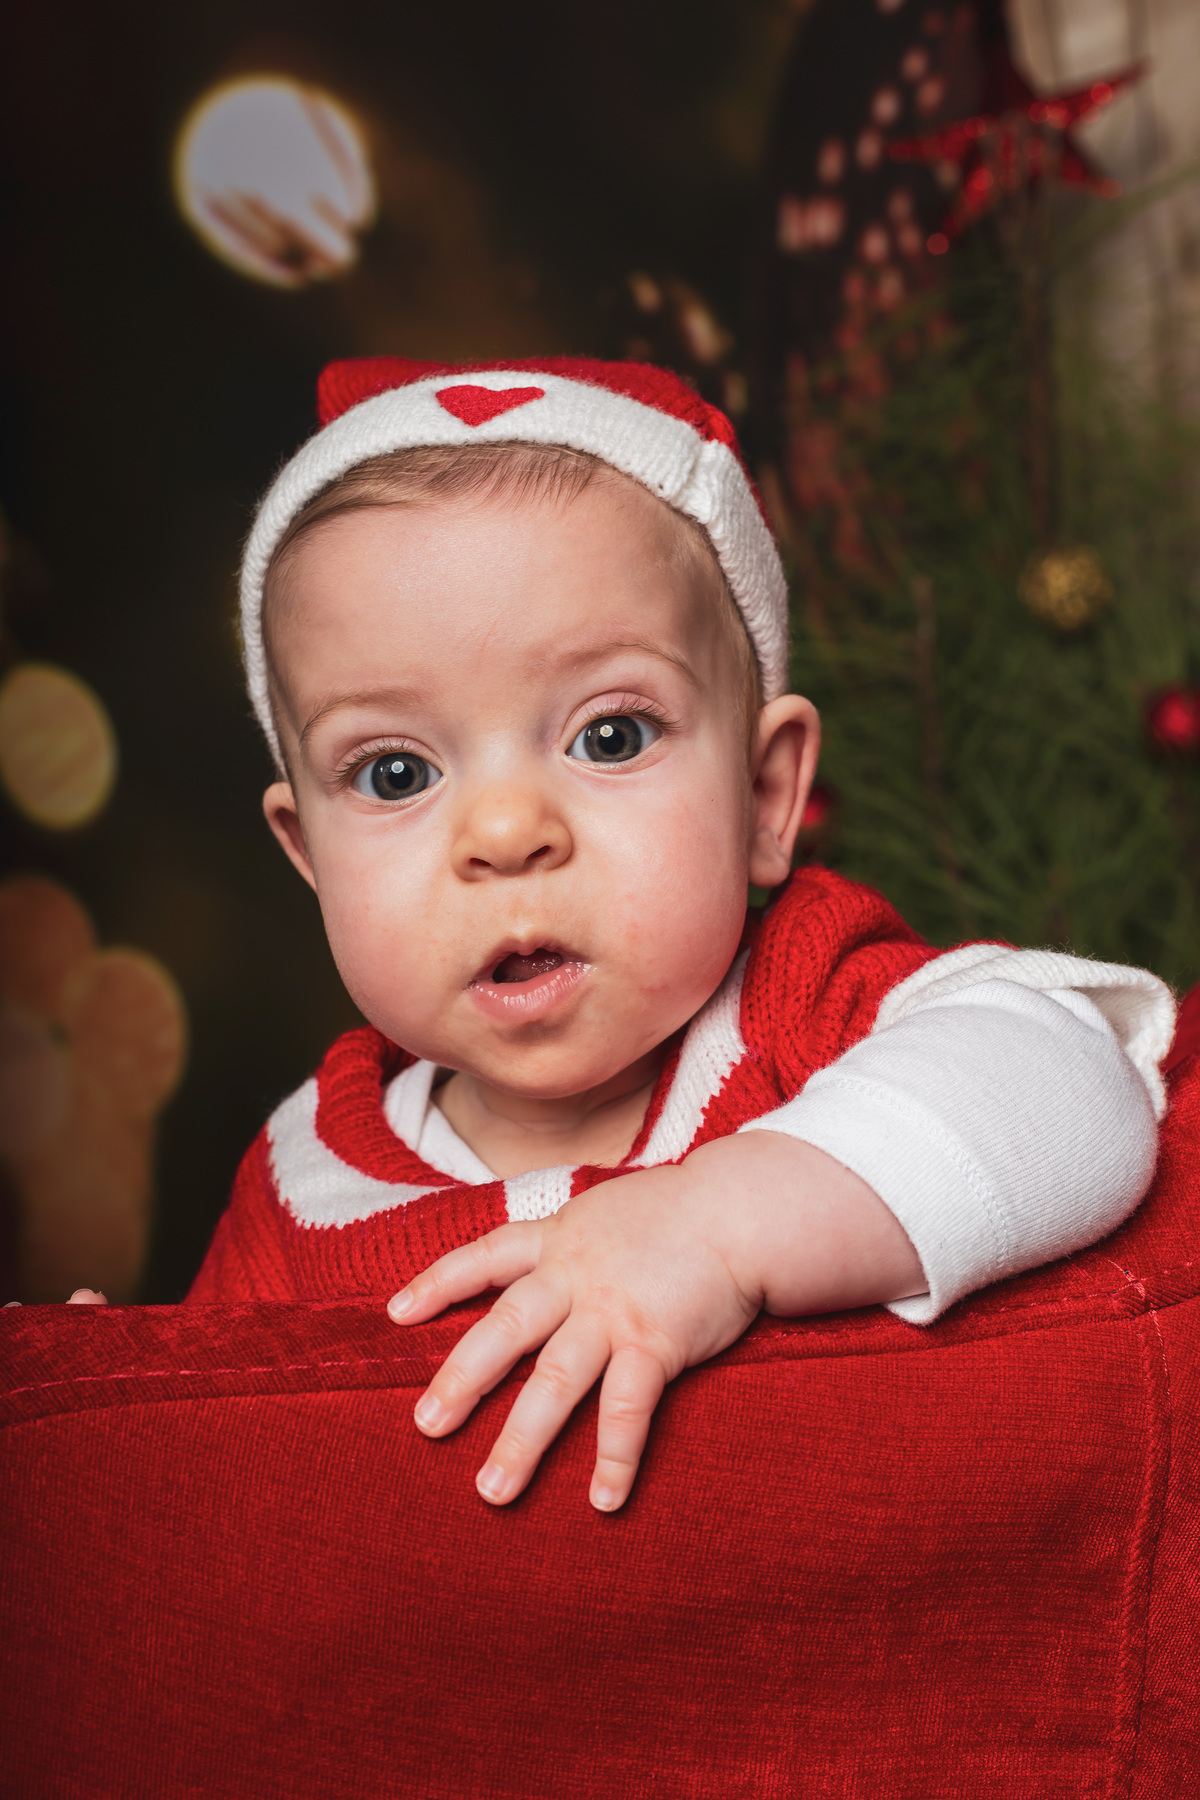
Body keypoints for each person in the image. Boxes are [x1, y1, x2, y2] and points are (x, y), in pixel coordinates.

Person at [186, 354, 1174, 1515]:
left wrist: (723, 1226)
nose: (505, 833)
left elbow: (1075, 1081)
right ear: (307, 856)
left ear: (765, 799)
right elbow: (206, 1471)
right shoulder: (307, 1175)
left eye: (610, 737)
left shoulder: (804, 1008)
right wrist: (91, 1406)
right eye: (395, 771)